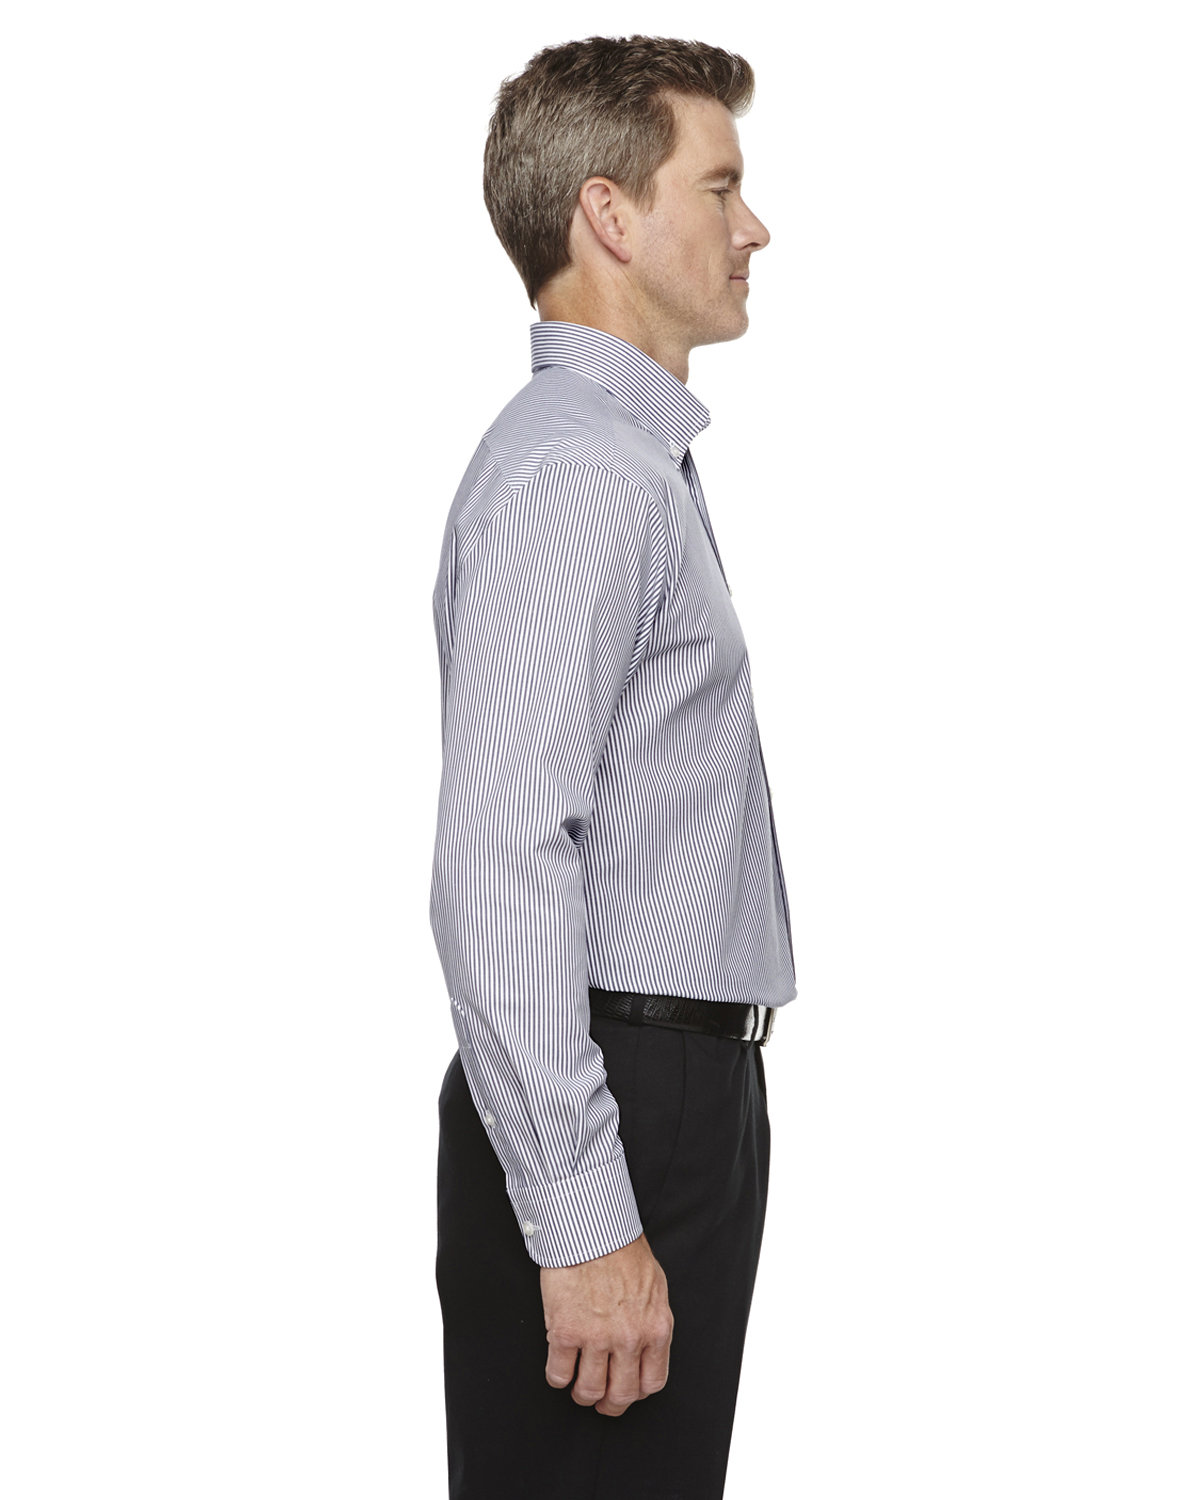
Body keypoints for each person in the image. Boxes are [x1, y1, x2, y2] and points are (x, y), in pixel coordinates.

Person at [429, 34, 795, 1500]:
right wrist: (584, 1218)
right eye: (721, 185)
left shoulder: (621, 459)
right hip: (615, 1094)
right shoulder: (583, 470)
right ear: (610, 215)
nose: (755, 226)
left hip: (654, 1087)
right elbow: (501, 853)